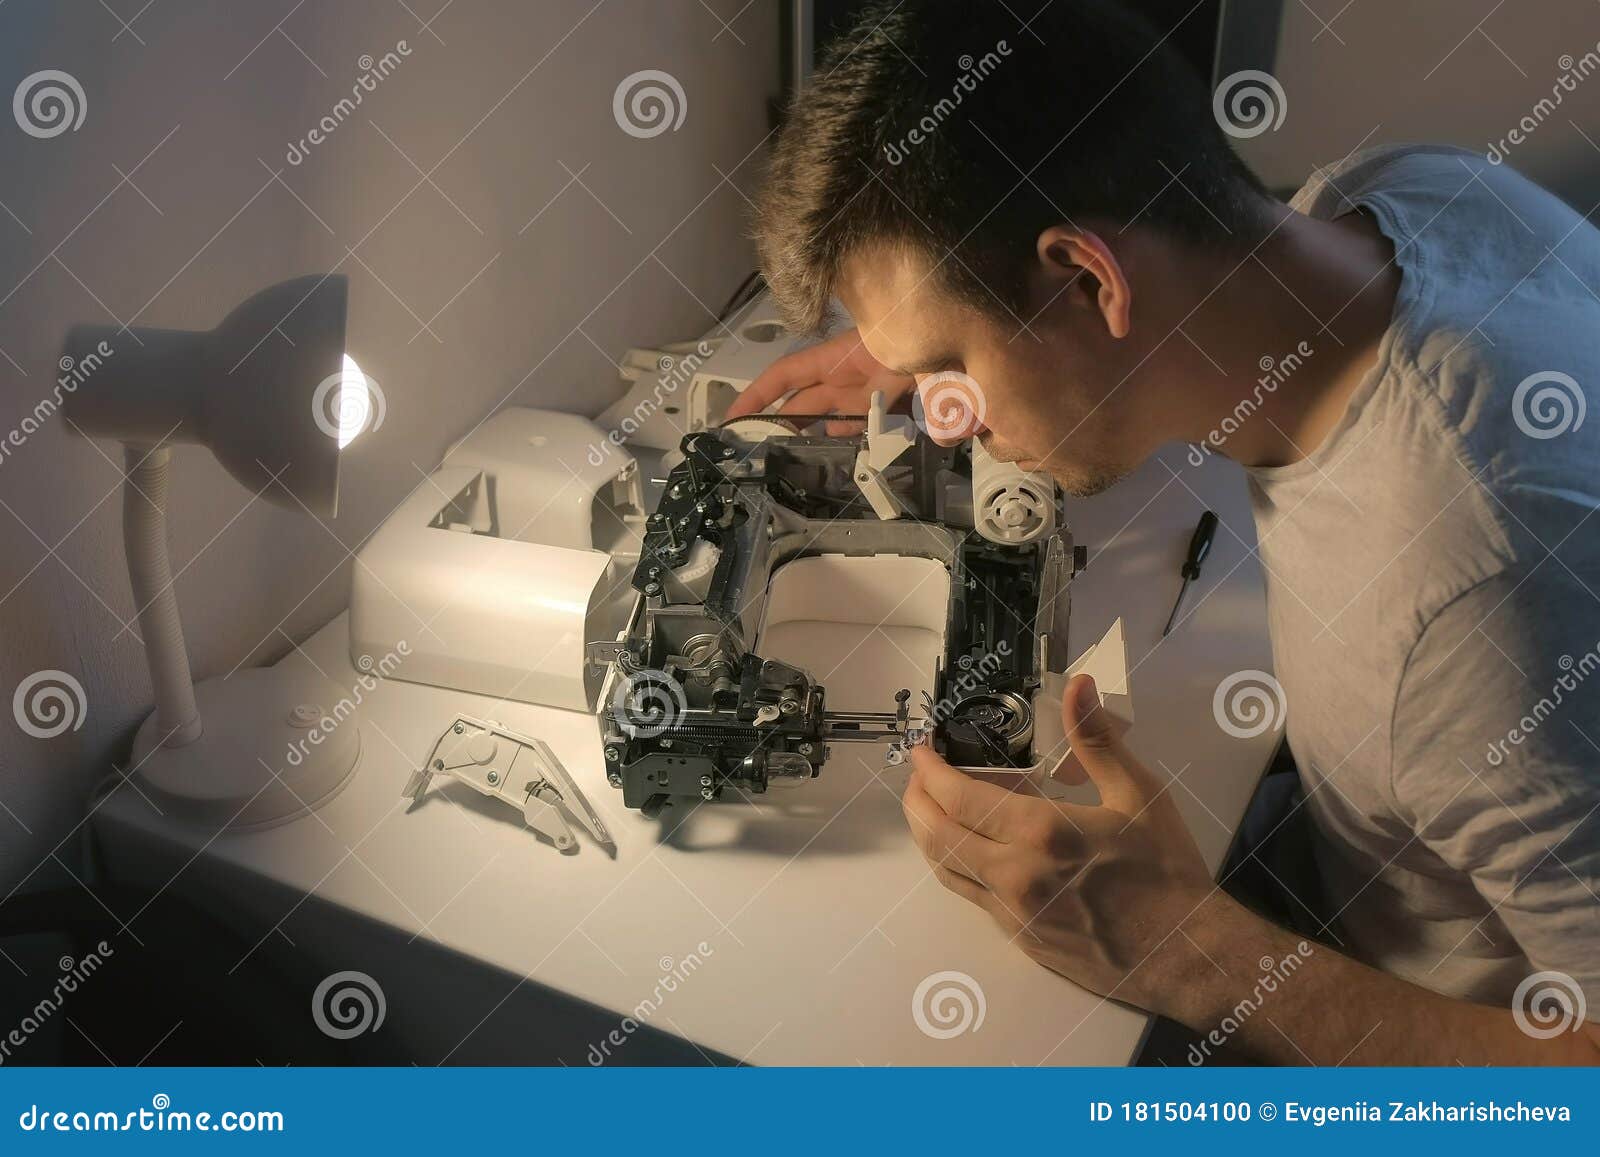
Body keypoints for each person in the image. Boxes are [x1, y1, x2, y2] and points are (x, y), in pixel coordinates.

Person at [725, 0, 1600, 1063]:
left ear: (1091, 281)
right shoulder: (1406, 192)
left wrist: (1189, 949)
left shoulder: (1475, 607)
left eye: (946, 367)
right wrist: (944, 344)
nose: (944, 414)